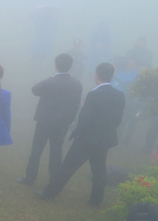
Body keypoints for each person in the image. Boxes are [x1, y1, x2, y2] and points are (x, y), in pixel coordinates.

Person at [35, 62, 126, 207]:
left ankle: (49, 193)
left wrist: (77, 132)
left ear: (96, 75)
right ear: (112, 76)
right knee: (99, 170)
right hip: (104, 140)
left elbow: (85, 118)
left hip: (87, 139)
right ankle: (96, 201)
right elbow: (117, 120)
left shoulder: (93, 95)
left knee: (67, 167)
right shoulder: (120, 96)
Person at [16, 53, 83, 186]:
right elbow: (76, 105)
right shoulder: (77, 84)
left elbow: (35, 90)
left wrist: (51, 77)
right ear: (70, 66)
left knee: (36, 150)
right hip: (62, 123)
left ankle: (30, 177)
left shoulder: (50, 82)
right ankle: (53, 180)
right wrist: (70, 120)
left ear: (56, 65)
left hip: (44, 121)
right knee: (56, 152)